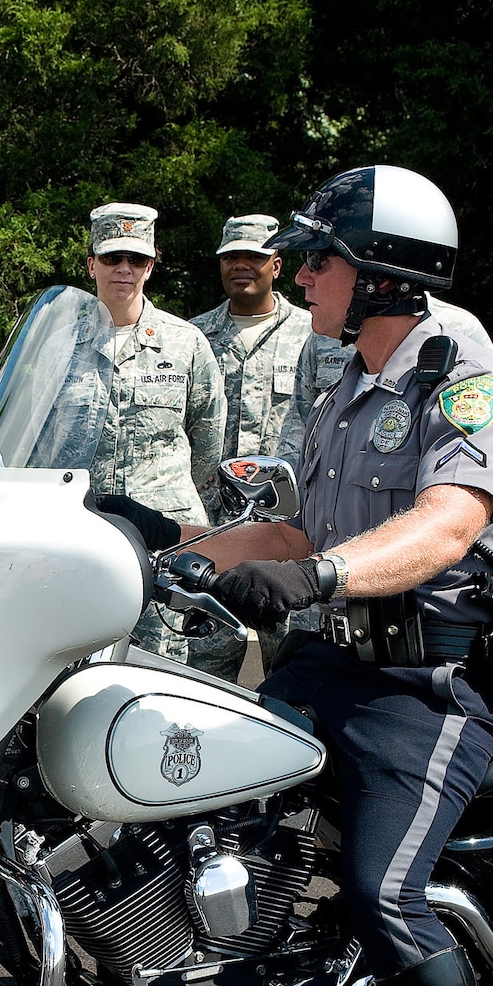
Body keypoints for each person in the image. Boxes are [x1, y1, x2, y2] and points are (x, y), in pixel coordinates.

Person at [176, 166, 493, 986]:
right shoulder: (343, 381)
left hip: (434, 681)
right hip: (334, 663)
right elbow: (289, 539)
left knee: (383, 890)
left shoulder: (469, 381)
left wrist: (321, 574)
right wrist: (160, 550)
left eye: (318, 258)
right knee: (196, 803)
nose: (299, 274)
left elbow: (441, 526)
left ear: (379, 273)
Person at [51, 202, 226, 658]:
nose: (124, 270)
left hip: (161, 539)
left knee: (161, 668)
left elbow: (208, 438)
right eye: (112, 258)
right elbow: (40, 439)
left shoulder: (186, 342)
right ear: (92, 264)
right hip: (81, 533)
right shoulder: (58, 343)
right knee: (73, 664)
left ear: (152, 265)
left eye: (137, 260)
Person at [188, 214, 319, 678]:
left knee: (295, 670)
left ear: (277, 265)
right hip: (212, 531)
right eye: (231, 257)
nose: (242, 265)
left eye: (255, 256)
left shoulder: (318, 335)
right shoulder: (191, 337)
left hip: (288, 531)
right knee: (199, 673)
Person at [290, 296, 491, 461]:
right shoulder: (323, 333)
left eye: (321, 264)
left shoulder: (461, 327)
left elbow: (477, 452)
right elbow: (299, 422)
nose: (302, 277)